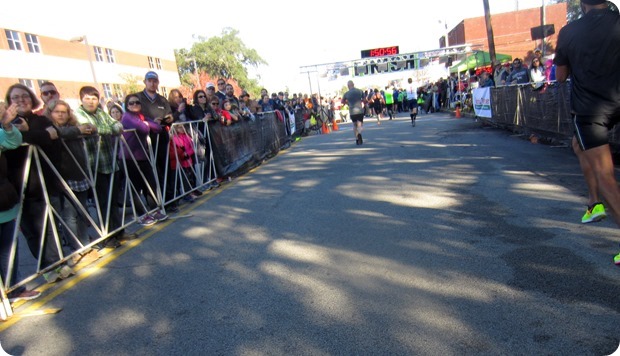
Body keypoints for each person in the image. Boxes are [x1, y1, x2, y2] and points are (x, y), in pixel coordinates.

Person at [554, 0, 620, 265]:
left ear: (582, 4)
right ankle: (594, 204)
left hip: (590, 111)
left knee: (607, 178)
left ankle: (597, 201)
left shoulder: (569, 32)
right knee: (577, 145)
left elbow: (559, 76)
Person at [4, 84, 74, 282]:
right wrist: (32, 135)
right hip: (17, 186)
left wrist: (30, 134)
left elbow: (54, 138)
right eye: (15, 97)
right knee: (31, 231)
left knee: (48, 226)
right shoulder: (5, 124)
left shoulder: (40, 119)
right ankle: (47, 265)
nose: (21, 100)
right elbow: (13, 141)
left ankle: (55, 264)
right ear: (9, 102)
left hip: (43, 182)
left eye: (25, 96)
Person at [74, 85, 137, 248]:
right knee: (103, 202)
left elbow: (118, 126)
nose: (91, 101)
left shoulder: (102, 113)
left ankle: (119, 232)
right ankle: (108, 237)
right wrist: (108, 129)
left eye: (94, 98)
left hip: (110, 162)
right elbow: (90, 129)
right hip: (95, 165)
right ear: (81, 99)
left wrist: (106, 128)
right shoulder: (78, 114)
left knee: (113, 200)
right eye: (87, 98)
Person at [44, 99, 101, 265]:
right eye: (57, 112)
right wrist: (78, 130)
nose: (61, 115)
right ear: (50, 113)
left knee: (81, 212)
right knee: (69, 216)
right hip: (64, 176)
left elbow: (92, 132)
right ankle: (76, 250)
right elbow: (58, 133)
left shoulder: (74, 128)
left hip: (80, 174)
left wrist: (91, 129)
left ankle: (85, 246)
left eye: (64, 111)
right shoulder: (52, 129)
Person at [0, 102, 42, 303]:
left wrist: (7, 125)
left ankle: (13, 288)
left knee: (9, 248)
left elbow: (13, 141)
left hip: (3, 199)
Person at [119, 94, 169, 226]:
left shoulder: (140, 117)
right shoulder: (127, 117)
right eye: (131, 103)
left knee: (150, 183)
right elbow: (144, 128)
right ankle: (141, 215)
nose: (135, 105)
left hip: (142, 155)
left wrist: (146, 123)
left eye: (137, 102)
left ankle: (154, 210)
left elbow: (158, 128)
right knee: (135, 187)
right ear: (127, 105)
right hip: (129, 156)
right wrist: (147, 124)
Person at [134, 71, 178, 213]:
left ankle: (170, 200)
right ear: (145, 82)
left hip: (162, 136)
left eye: (155, 81)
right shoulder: (138, 98)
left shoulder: (162, 99)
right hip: (147, 138)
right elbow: (134, 115)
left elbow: (169, 113)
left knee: (165, 168)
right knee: (152, 172)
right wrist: (150, 122)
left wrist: (169, 118)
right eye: (150, 81)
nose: (152, 83)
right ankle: (156, 204)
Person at [341, 80, 365, 145]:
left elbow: (342, 102)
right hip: (360, 110)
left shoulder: (346, 93)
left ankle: (357, 138)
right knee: (360, 124)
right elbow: (364, 99)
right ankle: (359, 133)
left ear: (348, 86)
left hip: (352, 111)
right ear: (353, 84)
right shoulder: (360, 91)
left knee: (354, 125)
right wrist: (361, 102)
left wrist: (348, 103)